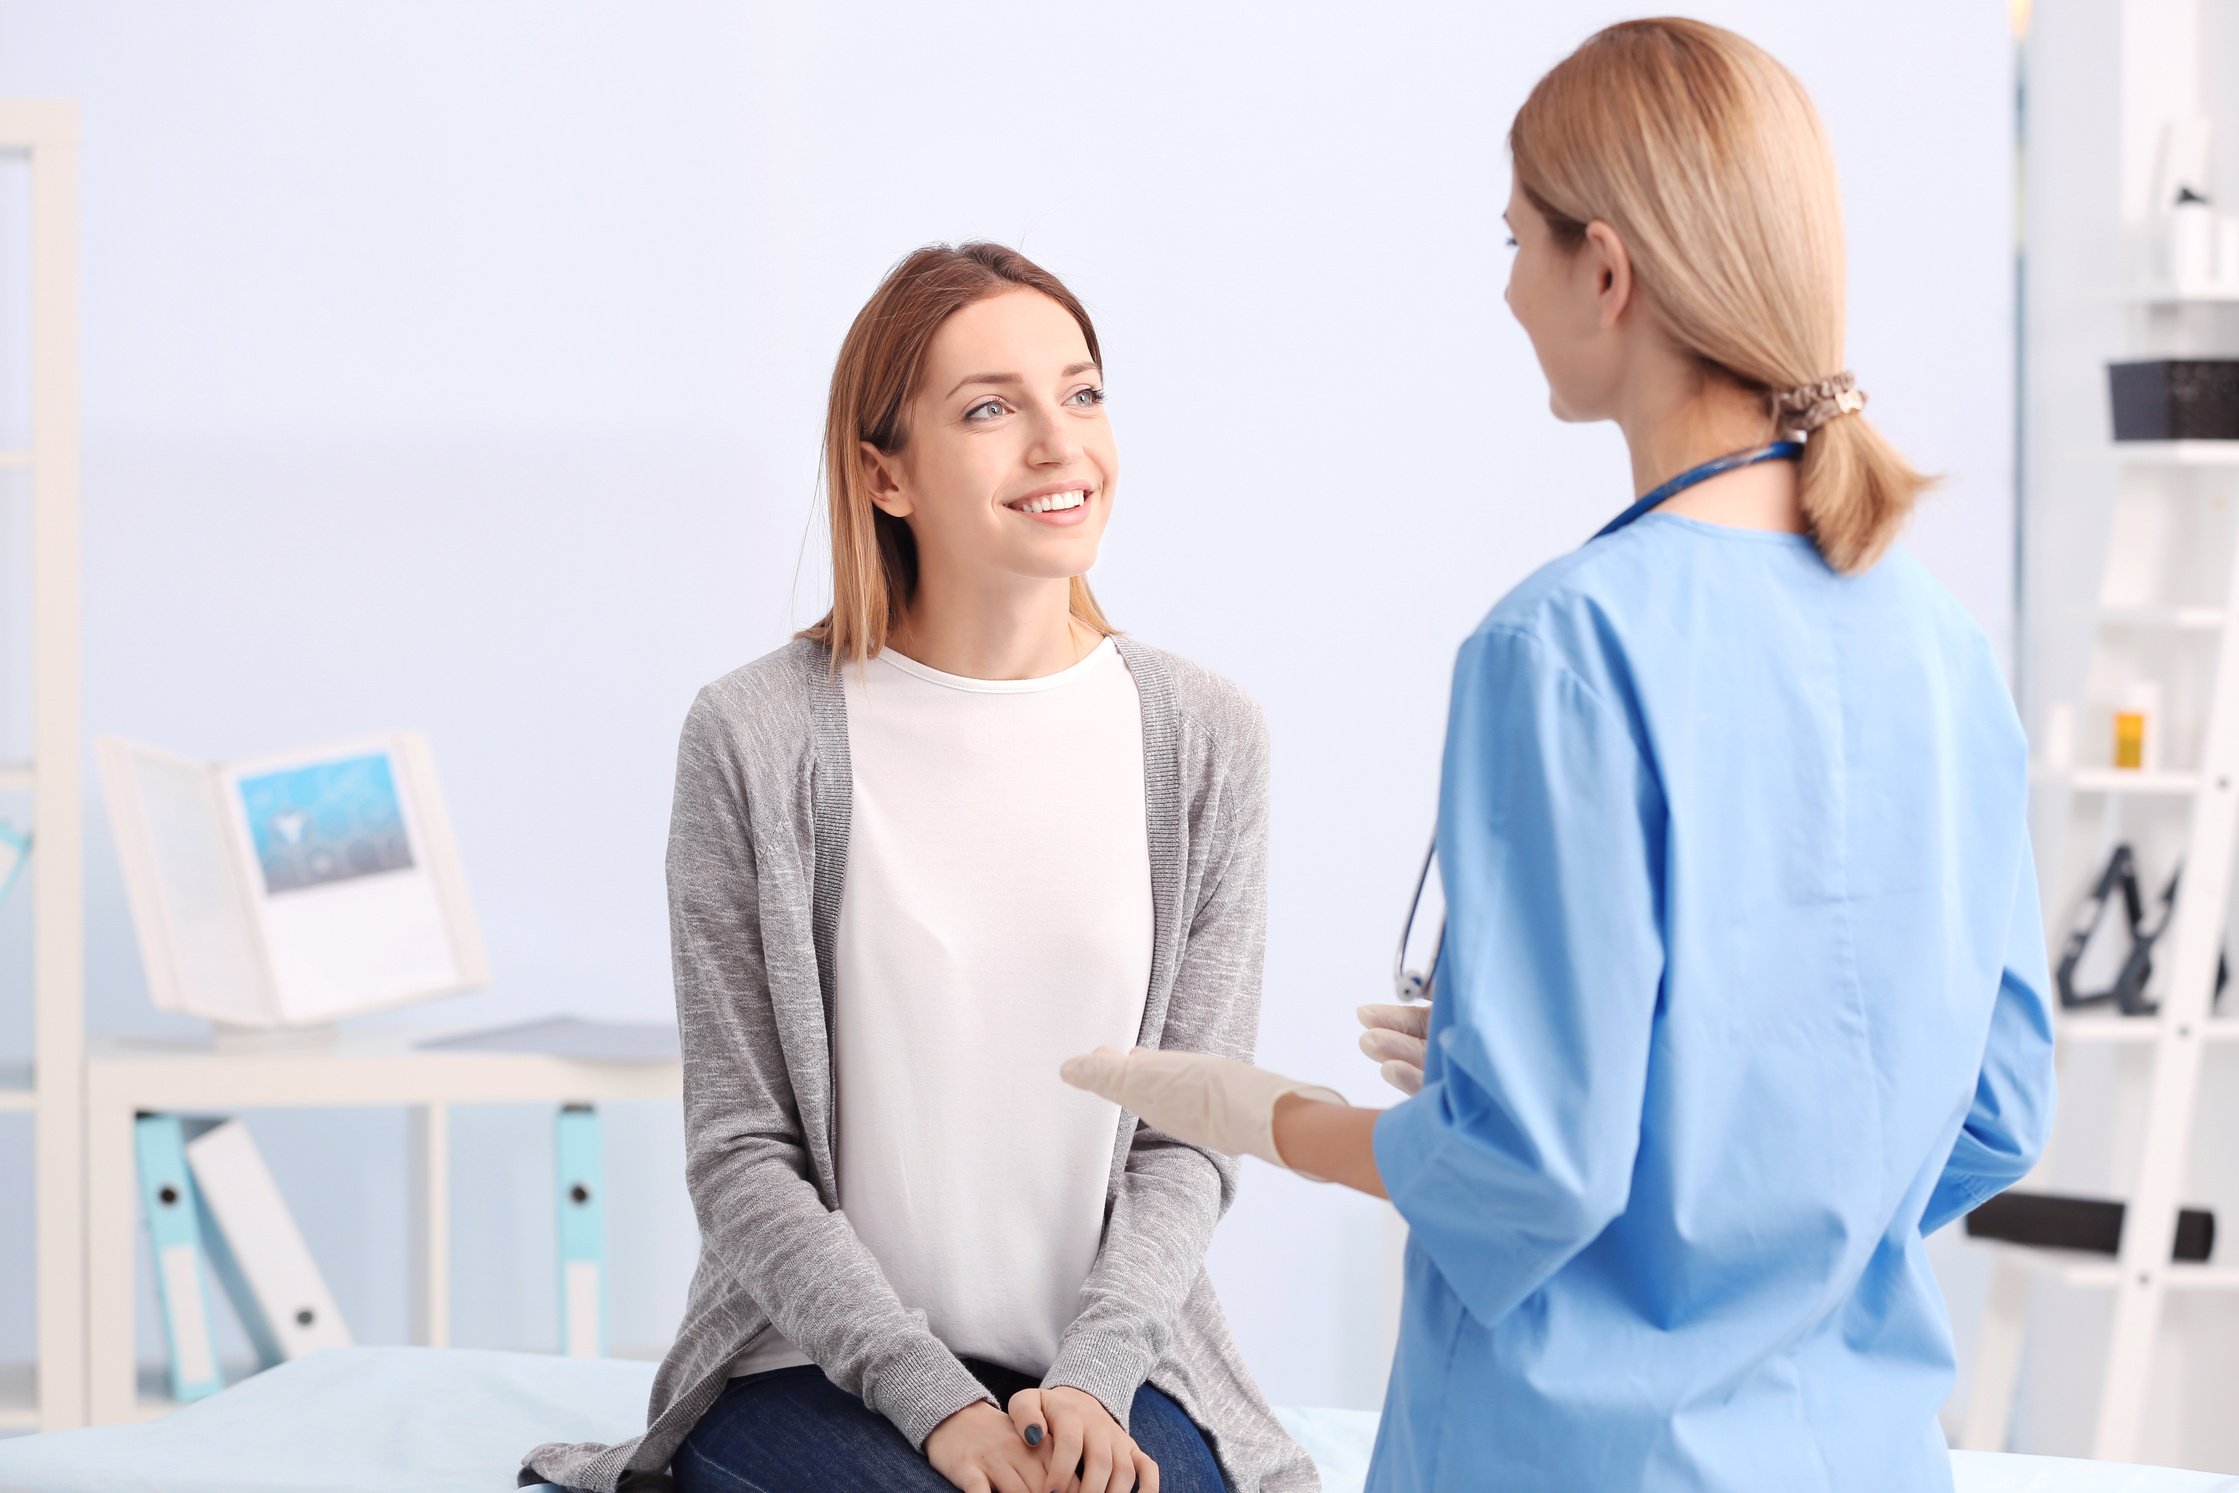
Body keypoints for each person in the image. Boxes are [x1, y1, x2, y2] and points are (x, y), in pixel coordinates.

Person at [1063, 19, 2056, 1493]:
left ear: (1606, 271)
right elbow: (1992, 1112)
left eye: (1516, 238)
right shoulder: (1936, 642)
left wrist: (1271, 1115)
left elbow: (1529, 1177)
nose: (1506, 286)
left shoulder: (1562, 648)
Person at [518, 244, 1319, 1493]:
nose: (1059, 443)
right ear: (883, 473)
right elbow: (741, 1151)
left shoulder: (1205, 736)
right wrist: (935, 1401)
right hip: (813, 1364)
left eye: (1083, 392)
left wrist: (1095, 1376)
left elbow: (1185, 1142)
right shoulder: (757, 736)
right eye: (991, 407)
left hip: (1106, 1368)